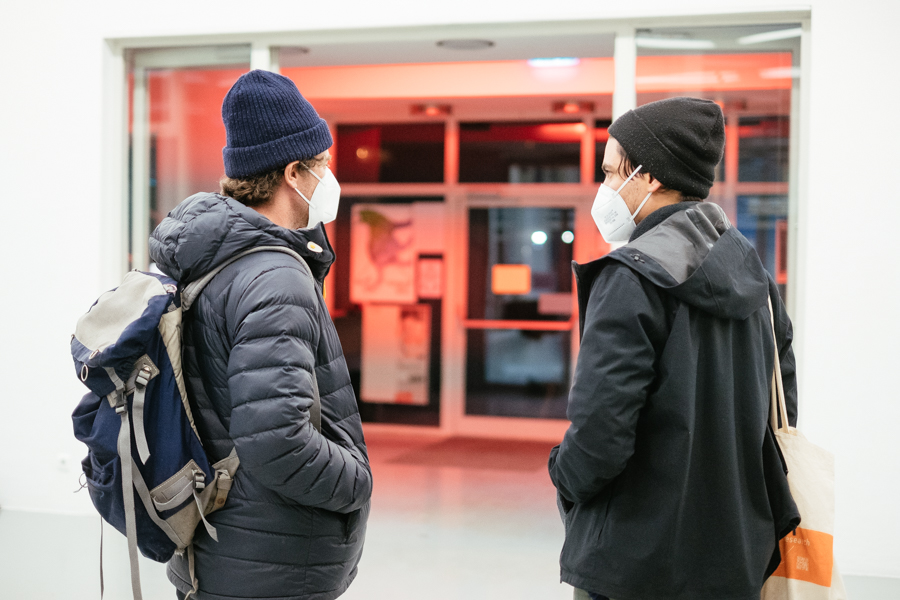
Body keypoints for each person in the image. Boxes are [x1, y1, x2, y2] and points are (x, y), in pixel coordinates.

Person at [548, 97, 800, 600]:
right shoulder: (757, 280)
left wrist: (563, 474)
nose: (604, 187)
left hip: (636, 563)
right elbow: (781, 414)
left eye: (610, 172)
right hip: (736, 558)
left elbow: (600, 432)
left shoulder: (631, 278)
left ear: (649, 177)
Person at [149, 70, 372, 600]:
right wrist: (357, 480)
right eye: (322, 163)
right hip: (269, 567)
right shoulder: (274, 276)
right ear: (294, 173)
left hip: (220, 547)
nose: (329, 176)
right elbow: (278, 439)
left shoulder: (213, 261)